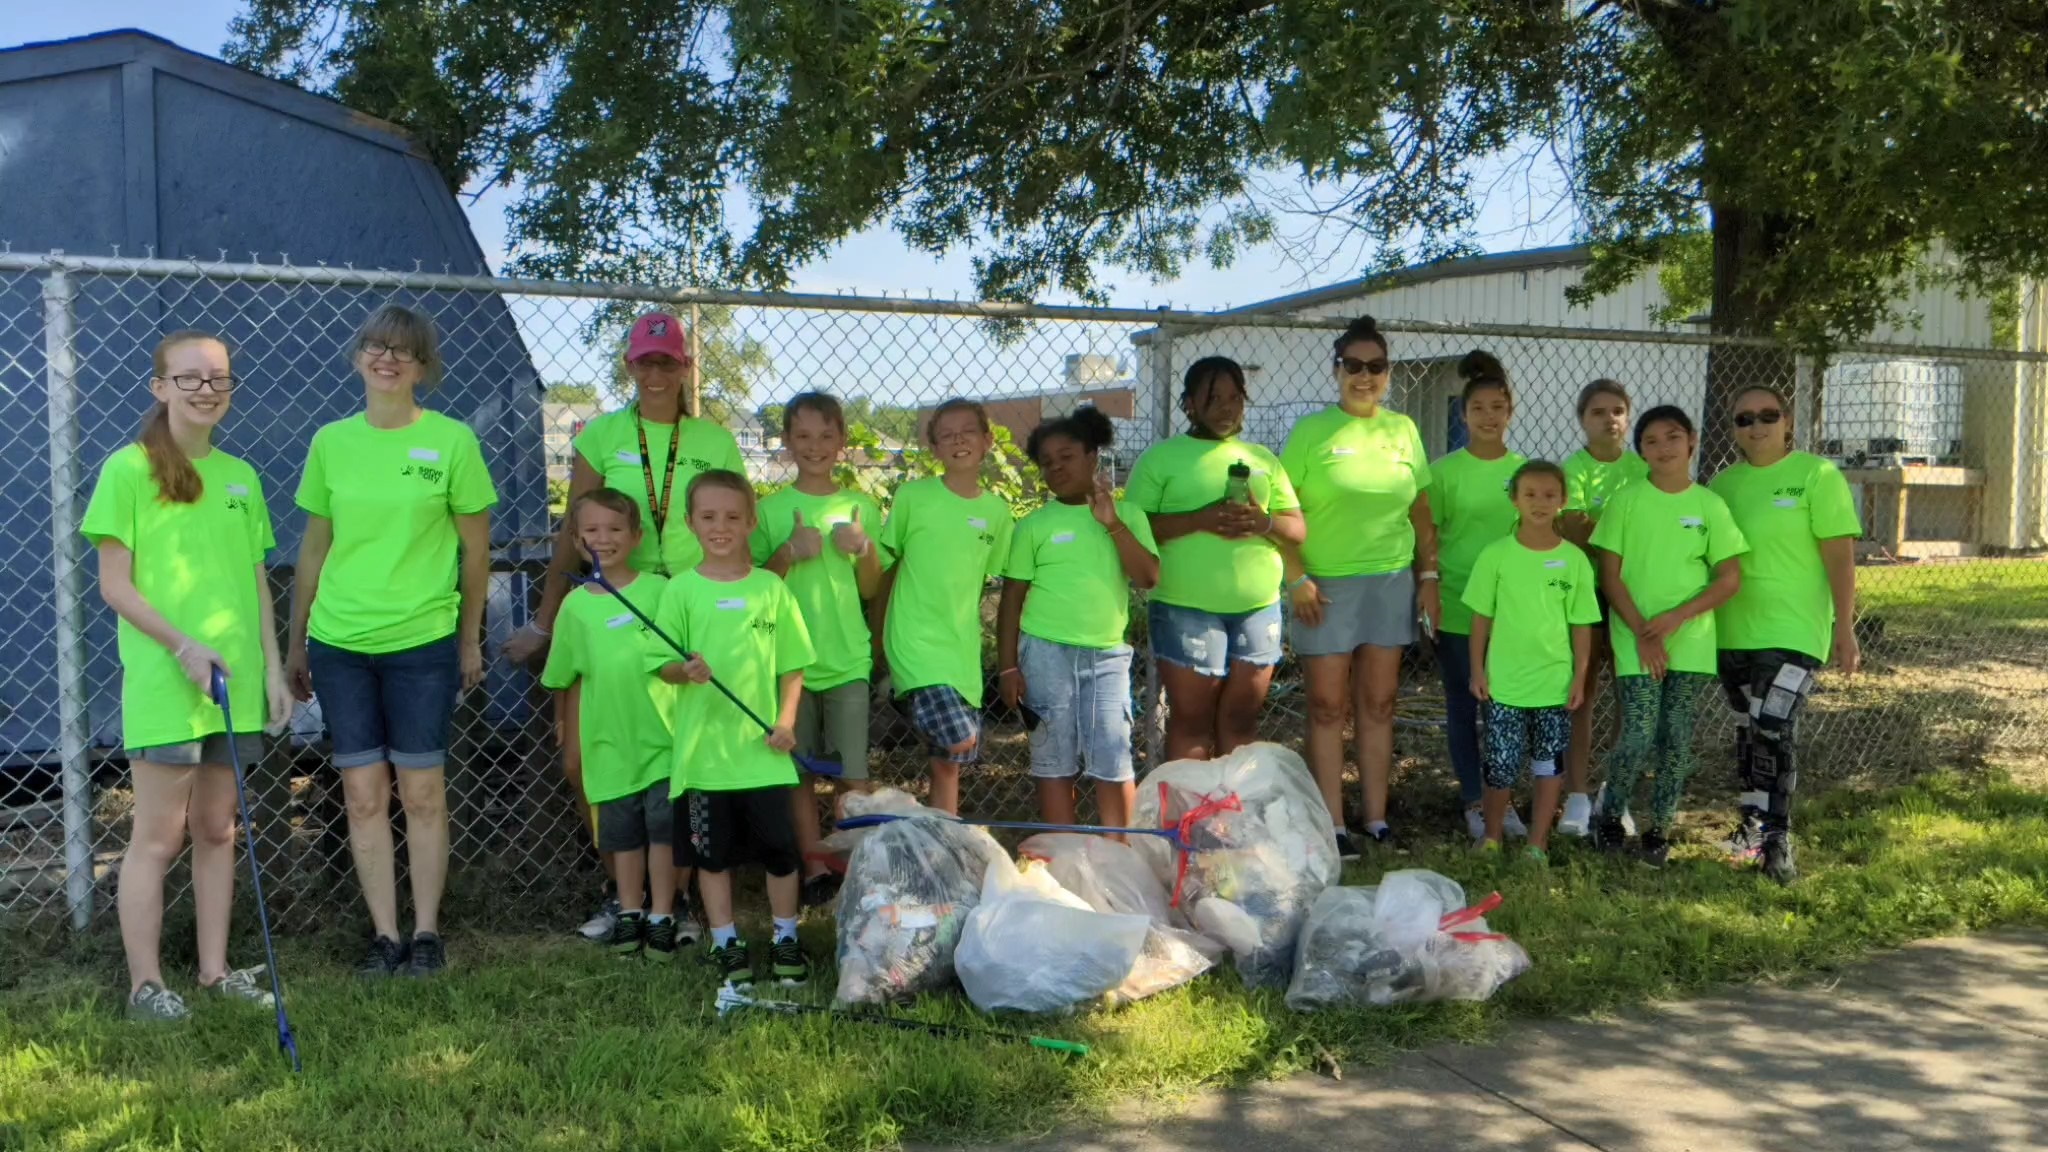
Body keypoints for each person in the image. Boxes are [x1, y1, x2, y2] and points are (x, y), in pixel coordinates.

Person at [506, 310, 743, 938]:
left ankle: (683, 897)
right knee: (589, 761)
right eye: (646, 362)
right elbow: (573, 528)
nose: (657, 372)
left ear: (685, 367)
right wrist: (546, 618)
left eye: (668, 361)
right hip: (614, 600)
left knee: (686, 760)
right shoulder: (603, 435)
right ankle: (622, 891)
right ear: (630, 367)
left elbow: (738, 521)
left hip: (688, 604)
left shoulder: (714, 440)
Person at [83, 331, 291, 1021]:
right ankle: (145, 985)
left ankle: (213, 971)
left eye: (219, 378)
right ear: (160, 387)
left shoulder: (242, 477)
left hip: (234, 684)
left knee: (216, 829)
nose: (207, 389)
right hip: (170, 683)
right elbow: (116, 586)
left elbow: (258, 585)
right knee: (158, 835)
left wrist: (274, 672)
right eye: (190, 378)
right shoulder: (128, 470)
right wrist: (183, 647)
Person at [287, 304, 497, 978]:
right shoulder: (330, 442)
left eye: (402, 351)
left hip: (423, 642)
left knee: (423, 792)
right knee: (362, 795)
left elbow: (475, 553)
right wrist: (297, 642)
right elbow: (314, 550)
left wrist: (469, 638)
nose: (387, 358)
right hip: (341, 644)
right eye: (375, 346)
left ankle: (427, 933)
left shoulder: (453, 441)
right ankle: (383, 935)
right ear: (358, 358)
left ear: (422, 367)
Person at [651, 470, 815, 988]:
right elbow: (661, 665)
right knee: (712, 858)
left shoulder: (771, 588)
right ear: (690, 523)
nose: (719, 526)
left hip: (762, 755)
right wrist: (686, 670)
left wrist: (786, 720)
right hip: (703, 760)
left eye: (731, 517)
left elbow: (793, 665)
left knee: (781, 853)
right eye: (707, 517)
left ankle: (786, 938)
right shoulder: (680, 591)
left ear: (750, 523)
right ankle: (727, 945)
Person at [1280, 316, 1437, 856]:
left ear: (1388, 374)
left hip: (1390, 582)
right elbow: (1282, 511)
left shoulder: (1403, 431)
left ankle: (1375, 818)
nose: (1363, 377)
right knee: (1326, 706)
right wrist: (1295, 576)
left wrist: (1429, 576)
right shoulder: (1310, 432)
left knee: (1380, 702)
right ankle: (1333, 824)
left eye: (1375, 367)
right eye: (1353, 366)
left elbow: (1420, 511)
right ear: (1336, 370)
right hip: (1324, 587)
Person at [1709, 385, 1862, 885]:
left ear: (1788, 421)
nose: (1756, 426)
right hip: (1732, 630)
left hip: (1795, 630)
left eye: (1768, 416)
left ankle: (1778, 839)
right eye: (1744, 418)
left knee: (1773, 727)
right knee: (1748, 732)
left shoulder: (1817, 476)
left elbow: (1839, 556)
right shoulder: (1723, 485)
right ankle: (1750, 831)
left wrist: (1845, 626)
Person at [1125, 358, 1305, 766]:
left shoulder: (1263, 459)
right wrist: (1199, 520)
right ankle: (1188, 825)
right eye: (1213, 398)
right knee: (1191, 723)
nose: (1226, 407)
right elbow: (1132, 530)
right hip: (1186, 608)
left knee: (1241, 721)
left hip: (1258, 608)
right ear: (1189, 404)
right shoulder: (1160, 460)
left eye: (1235, 398)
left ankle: (1232, 819)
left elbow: (1296, 529)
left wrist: (1264, 521)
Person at [1590, 406, 1747, 865]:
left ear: (1692, 440)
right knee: (1637, 732)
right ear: (1640, 450)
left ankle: (1659, 831)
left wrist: (1678, 617)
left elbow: (1728, 578)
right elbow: (1610, 576)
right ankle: (1609, 817)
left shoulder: (1709, 505)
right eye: (1652, 441)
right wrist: (1643, 631)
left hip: (1690, 639)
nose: (1663, 448)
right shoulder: (1627, 501)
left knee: (1676, 737)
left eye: (1672, 437)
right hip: (1636, 637)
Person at [540, 489, 693, 958]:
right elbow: (564, 676)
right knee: (622, 833)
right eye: (591, 530)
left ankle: (666, 912)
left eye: (614, 529)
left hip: (663, 737)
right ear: (576, 537)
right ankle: (629, 911)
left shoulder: (662, 591)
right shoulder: (575, 605)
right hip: (608, 741)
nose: (602, 539)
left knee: (666, 829)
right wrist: (565, 730)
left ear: (636, 536)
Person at [997, 407, 1160, 829]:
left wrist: (1112, 524)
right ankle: (1062, 856)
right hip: (1045, 654)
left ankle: (1120, 857)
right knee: (1053, 762)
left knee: (1112, 755)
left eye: (1066, 456)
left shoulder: (1130, 515)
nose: (1056, 467)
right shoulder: (1033, 526)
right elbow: (1012, 599)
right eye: (1047, 462)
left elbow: (1148, 577)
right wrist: (1008, 666)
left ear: (1092, 456)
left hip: (1106, 657)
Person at [751, 392, 883, 906]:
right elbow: (757, 586)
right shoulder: (769, 510)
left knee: (852, 775)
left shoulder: (859, 507)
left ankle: (855, 871)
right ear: (786, 441)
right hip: (790, 664)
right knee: (800, 774)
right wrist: (789, 551)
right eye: (803, 436)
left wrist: (863, 547)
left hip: (848, 657)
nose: (815, 446)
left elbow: (872, 587)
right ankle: (813, 871)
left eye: (826, 436)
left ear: (842, 442)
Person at [874, 399, 1014, 815]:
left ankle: (942, 844)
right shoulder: (913, 497)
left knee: (947, 766)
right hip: (914, 644)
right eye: (946, 434)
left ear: (987, 440)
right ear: (933, 446)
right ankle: (912, 822)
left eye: (967, 431)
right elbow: (887, 568)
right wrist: (878, 639)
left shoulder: (996, 512)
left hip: (961, 653)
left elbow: (996, 581)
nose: (958, 440)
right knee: (962, 739)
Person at [1465, 460, 1600, 864]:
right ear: (1514, 500)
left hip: (1554, 686)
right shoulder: (1496, 556)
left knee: (1547, 766)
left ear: (1562, 500)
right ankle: (1491, 836)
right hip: (1504, 683)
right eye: (1530, 494)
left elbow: (1581, 625)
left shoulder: (1574, 560)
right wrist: (1477, 668)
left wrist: (1579, 676)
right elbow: (1480, 619)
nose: (1539, 503)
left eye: (1549, 495)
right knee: (1500, 766)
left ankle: (1537, 843)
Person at [1429, 351, 1528, 841]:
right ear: (1463, 415)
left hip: (1516, 611)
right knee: (1465, 706)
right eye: (1478, 409)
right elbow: (1429, 536)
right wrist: (1426, 587)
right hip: (1459, 605)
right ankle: (1473, 797)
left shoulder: (1528, 471)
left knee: (1507, 709)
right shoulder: (1444, 472)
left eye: (1498, 407)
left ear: (1510, 412)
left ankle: (1502, 798)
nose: (1489, 417)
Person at [1558, 378, 1650, 837]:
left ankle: (1614, 795)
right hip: (1587, 597)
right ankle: (1576, 796)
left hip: (1633, 596)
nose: (1609, 419)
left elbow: (1653, 532)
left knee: (1628, 698)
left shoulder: (1642, 469)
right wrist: (1618, 535)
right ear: (1582, 420)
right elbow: (1573, 527)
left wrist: (1603, 533)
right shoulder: (1573, 470)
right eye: (1598, 412)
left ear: (1628, 417)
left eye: (1617, 410)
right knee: (1583, 696)